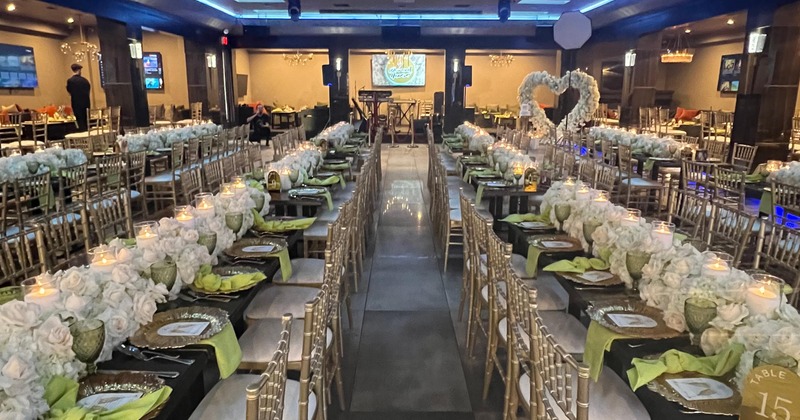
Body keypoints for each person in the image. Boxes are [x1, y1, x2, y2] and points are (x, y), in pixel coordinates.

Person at [66, 63, 91, 132]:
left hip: (76, 104)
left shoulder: (70, 81)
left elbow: (69, 91)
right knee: (86, 122)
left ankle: (82, 135)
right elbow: (88, 90)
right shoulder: (85, 81)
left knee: (80, 122)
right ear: (79, 70)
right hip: (86, 104)